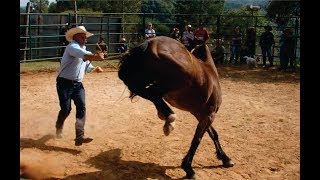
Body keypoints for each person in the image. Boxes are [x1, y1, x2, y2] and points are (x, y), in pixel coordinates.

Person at [55, 25, 106, 146]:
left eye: (85, 37)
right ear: (75, 37)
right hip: (64, 83)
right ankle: (59, 127)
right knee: (66, 109)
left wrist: (94, 68)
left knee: (81, 107)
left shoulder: (83, 48)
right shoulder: (72, 47)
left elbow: (86, 65)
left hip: (77, 84)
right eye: (83, 37)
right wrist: (95, 57)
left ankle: (79, 136)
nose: (85, 39)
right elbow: (85, 55)